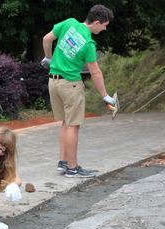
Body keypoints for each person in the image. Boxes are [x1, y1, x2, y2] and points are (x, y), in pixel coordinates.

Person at [41, 4, 115, 178]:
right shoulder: (89, 44)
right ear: (97, 22)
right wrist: (105, 96)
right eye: (105, 25)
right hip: (71, 86)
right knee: (73, 126)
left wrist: (48, 58)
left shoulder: (69, 23)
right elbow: (95, 72)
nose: (105, 29)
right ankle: (73, 168)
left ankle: (63, 162)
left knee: (65, 123)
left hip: (53, 82)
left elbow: (46, 38)